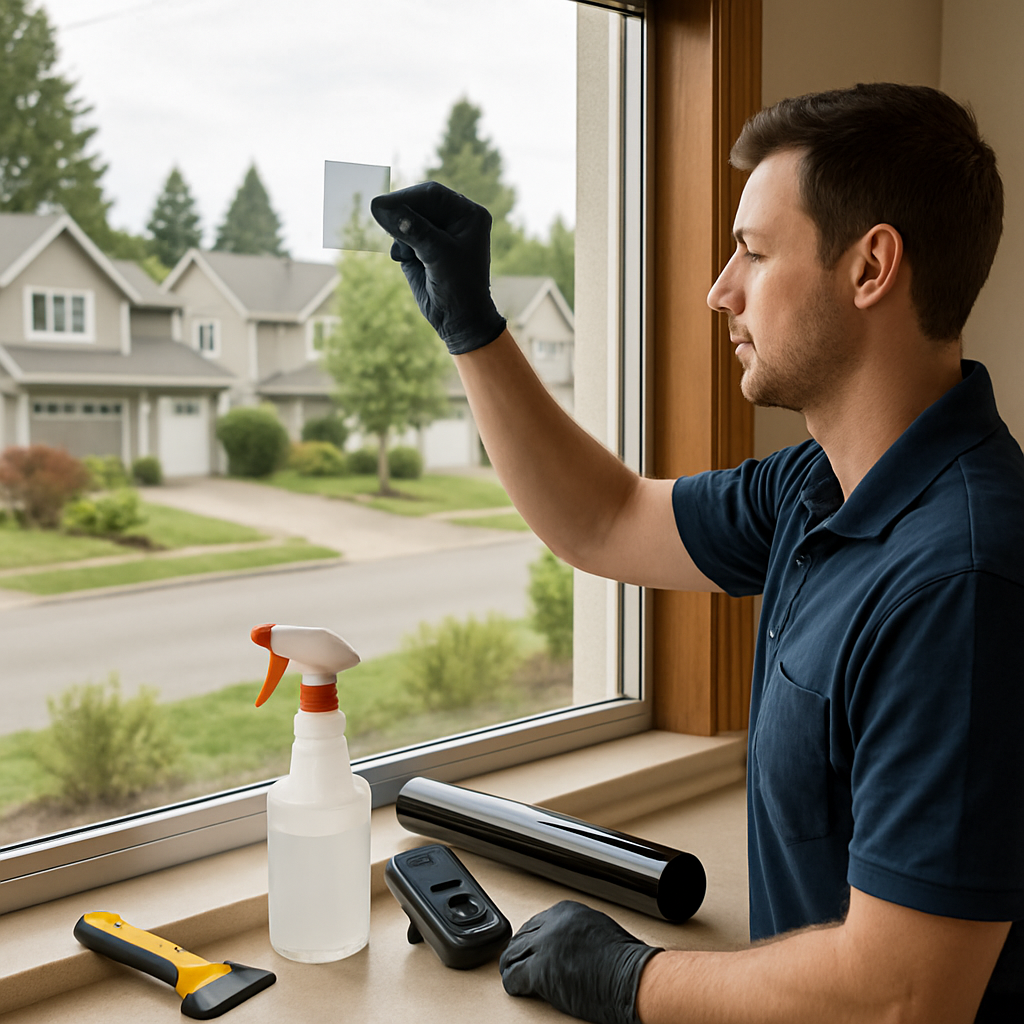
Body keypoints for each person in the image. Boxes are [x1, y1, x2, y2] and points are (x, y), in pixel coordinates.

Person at [371, 82, 1023, 1024]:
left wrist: (630, 978)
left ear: (872, 267)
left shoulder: (961, 583)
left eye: (753, 251)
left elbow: (902, 998)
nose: (721, 289)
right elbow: (604, 519)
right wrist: (474, 329)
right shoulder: (819, 487)